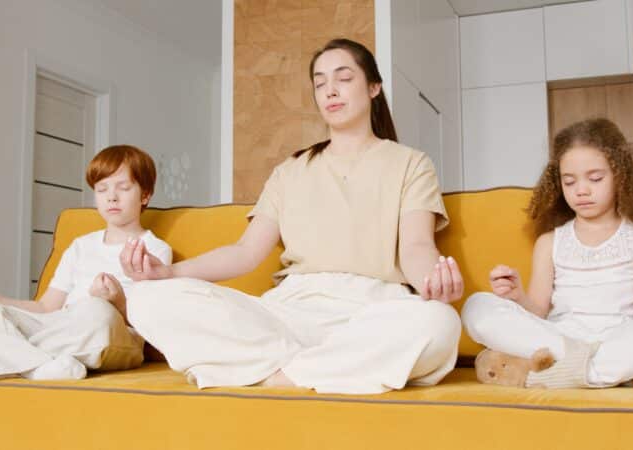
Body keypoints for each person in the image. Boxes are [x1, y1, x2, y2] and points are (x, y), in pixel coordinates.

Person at [121, 38, 463, 394]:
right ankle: (327, 370)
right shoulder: (290, 170)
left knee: (440, 323)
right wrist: (168, 273)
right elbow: (245, 252)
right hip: (289, 313)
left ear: (374, 87)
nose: (330, 90)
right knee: (146, 298)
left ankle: (277, 375)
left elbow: (417, 246)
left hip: (371, 311)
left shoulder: (411, 163)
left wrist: (432, 282)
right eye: (319, 83)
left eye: (343, 78)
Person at [461, 118, 633, 389]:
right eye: (569, 182)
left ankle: (553, 374)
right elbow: (537, 313)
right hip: (558, 339)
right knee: (477, 306)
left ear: (621, 175)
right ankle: (613, 374)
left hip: (619, 339)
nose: (581, 190)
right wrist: (516, 295)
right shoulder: (550, 242)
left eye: (595, 179)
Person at [0, 145, 171, 380]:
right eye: (102, 189)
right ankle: (36, 367)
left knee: (96, 311)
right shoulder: (80, 246)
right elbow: (46, 309)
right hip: (59, 326)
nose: (111, 197)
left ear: (145, 195)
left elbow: (151, 326)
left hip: (111, 333)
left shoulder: (156, 250)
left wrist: (115, 303)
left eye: (123, 188)